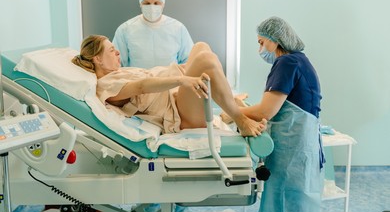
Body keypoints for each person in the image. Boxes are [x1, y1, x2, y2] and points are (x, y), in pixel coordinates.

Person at [72, 35, 266, 141]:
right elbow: (141, 87)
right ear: (97, 59)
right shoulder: (106, 84)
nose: (118, 52)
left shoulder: (121, 71)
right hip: (178, 115)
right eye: (111, 50)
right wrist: (181, 80)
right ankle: (239, 119)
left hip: (178, 99)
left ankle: (229, 110)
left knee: (201, 47)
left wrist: (183, 73)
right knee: (206, 60)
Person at [230, 16, 325, 212]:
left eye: (261, 42)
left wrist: (231, 112)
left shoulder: (287, 62)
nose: (260, 49)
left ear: (274, 39)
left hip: (293, 150)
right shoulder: (299, 61)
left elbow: (266, 110)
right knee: (293, 204)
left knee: (285, 204)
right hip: (299, 147)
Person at [112, 0, 194, 69]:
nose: (152, 7)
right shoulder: (125, 29)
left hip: (171, 81)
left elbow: (189, 61)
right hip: (138, 81)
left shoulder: (178, 29)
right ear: (140, 4)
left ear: (163, 4)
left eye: (156, 3)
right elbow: (116, 63)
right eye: (147, 3)